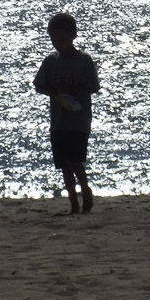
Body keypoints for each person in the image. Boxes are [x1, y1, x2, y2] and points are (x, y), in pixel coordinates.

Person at [33, 12, 100, 214]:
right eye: (54, 39)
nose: (57, 43)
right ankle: (73, 203)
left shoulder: (84, 60)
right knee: (64, 164)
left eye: (61, 39)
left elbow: (93, 86)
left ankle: (86, 190)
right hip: (59, 121)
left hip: (78, 121)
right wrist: (54, 93)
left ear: (72, 36)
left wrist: (75, 92)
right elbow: (39, 85)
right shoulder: (51, 62)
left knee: (74, 159)